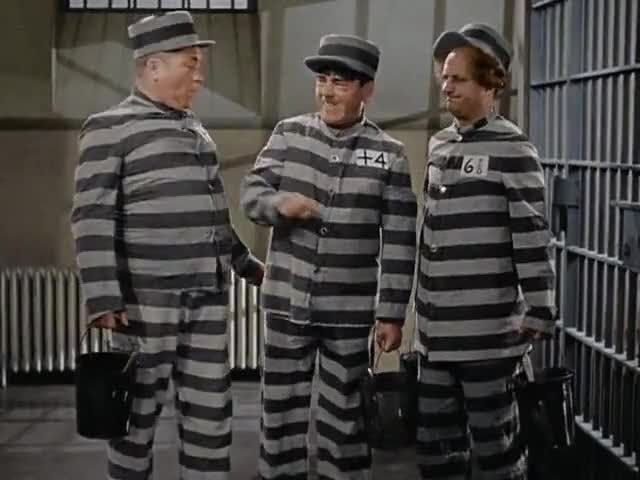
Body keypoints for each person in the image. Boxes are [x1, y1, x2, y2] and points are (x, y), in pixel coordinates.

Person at [70, 11, 263, 480]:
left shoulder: (195, 129)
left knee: (211, 416)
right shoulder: (109, 127)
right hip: (144, 303)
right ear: (154, 66)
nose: (200, 76)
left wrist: (247, 266)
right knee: (134, 419)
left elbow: (214, 215)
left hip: (206, 297)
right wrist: (103, 297)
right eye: (190, 64)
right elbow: (91, 215)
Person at [240, 34, 417, 479]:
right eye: (322, 80)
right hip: (286, 305)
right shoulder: (288, 134)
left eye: (340, 82)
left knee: (346, 421)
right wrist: (279, 204)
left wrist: (391, 314)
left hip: (349, 314)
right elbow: (251, 193)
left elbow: (400, 240)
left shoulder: (390, 155)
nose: (327, 91)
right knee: (279, 416)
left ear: (367, 90)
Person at [414, 23, 556, 480]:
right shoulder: (439, 145)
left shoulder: (515, 149)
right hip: (435, 340)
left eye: (458, 78)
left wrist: (540, 308)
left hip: (488, 339)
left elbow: (531, 233)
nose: (446, 87)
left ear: (490, 83)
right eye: (444, 77)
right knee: (438, 456)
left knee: (497, 455)